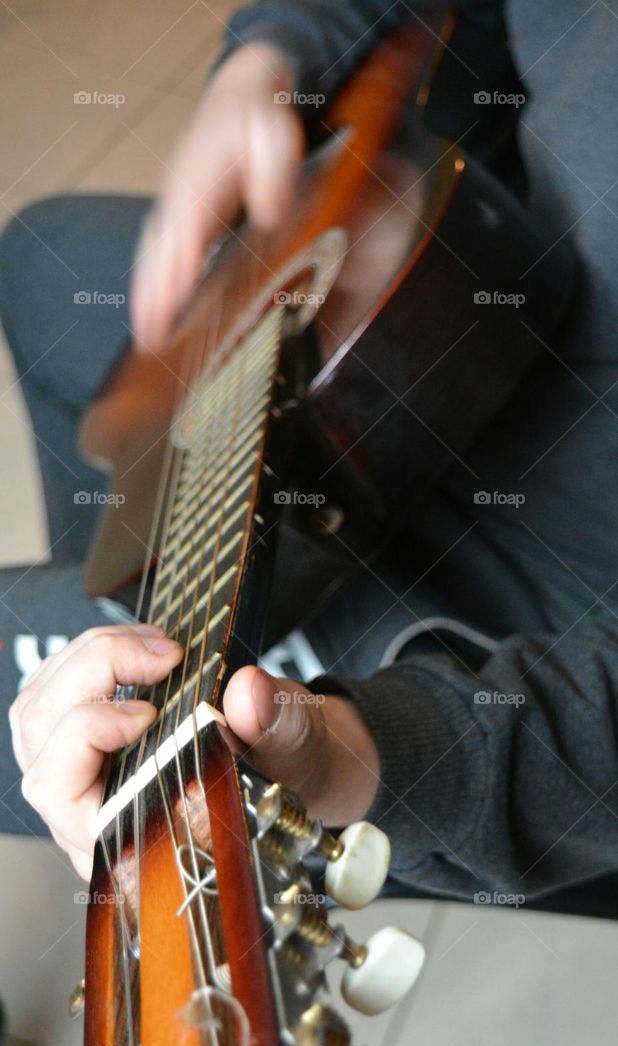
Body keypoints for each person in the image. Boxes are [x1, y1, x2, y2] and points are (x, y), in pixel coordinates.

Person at [3, 0, 618, 916]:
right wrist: (274, 53)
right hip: (455, 312)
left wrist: (349, 755)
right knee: (42, 259)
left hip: (552, 622)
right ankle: (124, 594)